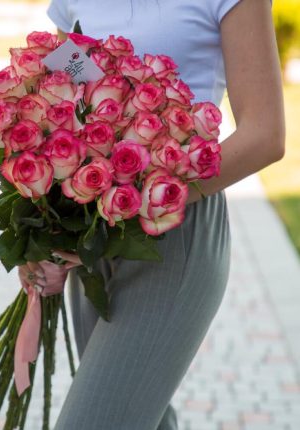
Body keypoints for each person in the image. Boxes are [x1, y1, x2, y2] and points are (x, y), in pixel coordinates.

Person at [19, 0, 285, 428]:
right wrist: (43, 226)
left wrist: (144, 197)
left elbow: (265, 135)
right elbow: (65, 100)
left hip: (174, 227)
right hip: (92, 232)